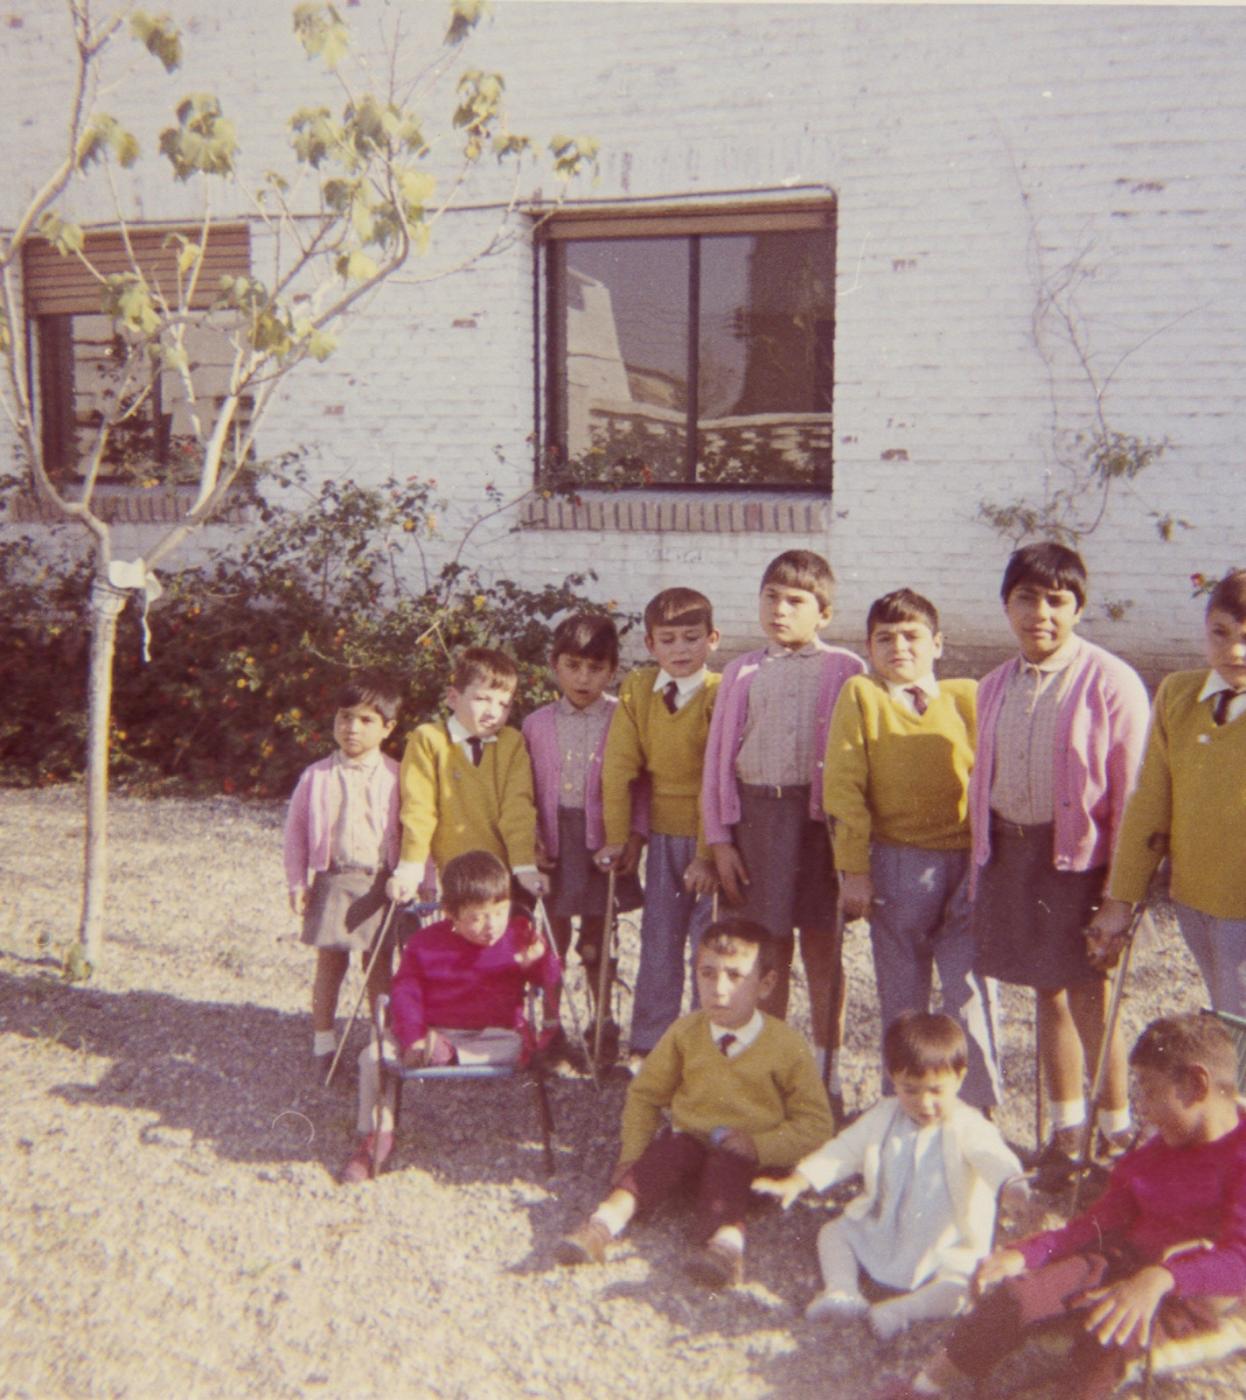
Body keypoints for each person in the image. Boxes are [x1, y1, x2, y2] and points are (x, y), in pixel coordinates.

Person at [875, 1012, 1246, 1400]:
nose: (1144, 1111)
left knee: (1105, 1336)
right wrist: (1025, 1254)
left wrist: (1161, 1278)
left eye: (1150, 1093)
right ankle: (924, 1387)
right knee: (1016, 1296)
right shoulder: (1155, 1153)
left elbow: (1239, 1259)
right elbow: (1095, 1224)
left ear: (1195, 1085)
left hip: (1188, 1296)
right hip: (1121, 1261)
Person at [968, 543, 1150, 1157]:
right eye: (1025, 598)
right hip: (1017, 856)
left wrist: (1118, 895)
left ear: (1077, 608)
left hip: (1083, 865)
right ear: (1006, 604)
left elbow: (1134, 796)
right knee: (1045, 989)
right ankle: (1068, 1128)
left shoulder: (1112, 682)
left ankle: (1117, 1127)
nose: (1039, 613)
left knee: (1090, 992)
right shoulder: (993, 686)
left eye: (1056, 600)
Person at [555, 918, 835, 1287]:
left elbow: (817, 1124)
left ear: (765, 984)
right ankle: (602, 1225)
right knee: (669, 1148)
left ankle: (725, 1248)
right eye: (707, 973)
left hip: (752, 1163)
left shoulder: (786, 1046)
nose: (718, 989)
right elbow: (646, 1094)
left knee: (729, 1165)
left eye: (735, 976)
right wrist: (632, 1154)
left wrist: (760, 1145)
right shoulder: (686, 1033)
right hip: (692, 1152)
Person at [824, 589, 1001, 1111]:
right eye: (885, 638)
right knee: (902, 990)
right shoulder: (862, 695)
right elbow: (844, 786)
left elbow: (992, 777)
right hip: (898, 862)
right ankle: (899, 1104)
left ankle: (975, 1105)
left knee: (969, 986)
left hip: (968, 862)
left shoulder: (968, 696)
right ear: (869, 646)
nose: (899, 647)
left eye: (912, 636)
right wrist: (853, 869)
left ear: (938, 643)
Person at [702, 549, 865, 1098]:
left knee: (824, 947)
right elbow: (718, 761)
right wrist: (720, 839)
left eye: (796, 601)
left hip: (820, 827)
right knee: (765, 951)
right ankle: (767, 1067)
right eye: (771, 596)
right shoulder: (742, 672)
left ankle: (826, 1069)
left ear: (823, 613)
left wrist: (853, 848)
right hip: (759, 822)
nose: (780, 610)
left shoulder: (846, 669)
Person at [340, 850, 561, 1183]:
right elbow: (406, 992)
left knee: (517, 1046)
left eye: (499, 912)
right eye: (477, 917)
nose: (491, 926)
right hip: (431, 1031)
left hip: (492, 1034)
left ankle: (446, 1053)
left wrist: (539, 962)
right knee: (372, 1057)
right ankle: (378, 1136)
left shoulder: (518, 934)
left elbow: (550, 981)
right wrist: (413, 1035)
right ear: (451, 916)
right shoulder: (427, 943)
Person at [1094, 569, 1246, 1016]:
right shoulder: (1179, 695)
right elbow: (1150, 805)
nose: (1234, 650)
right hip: (1194, 898)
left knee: (1238, 1026)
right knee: (1225, 1015)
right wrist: (1121, 899)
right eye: (1220, 633)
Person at [598, 587, 720, 1070]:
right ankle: (650, 1043)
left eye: (692, 638)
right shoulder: (638, 689)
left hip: (712, 835)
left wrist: (710, 851)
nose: (680, 650)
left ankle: (706, 1042)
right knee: (659, 937)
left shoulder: (720, 692)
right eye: (667, 640)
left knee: (707, 939)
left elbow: (719, 777)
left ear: (712, 639)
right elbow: (619, 766)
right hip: (663, 835)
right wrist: (620, 835)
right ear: (650, 645)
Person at [522, 613, 644, 1057]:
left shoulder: (623, 717)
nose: (583, 677)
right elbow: (523, 790)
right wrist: (531, 839)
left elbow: (639, 784)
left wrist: (634, 838)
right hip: (555, 845)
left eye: (595, 668)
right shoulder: (535, 724)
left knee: (598, 939)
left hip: (601, 845)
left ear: (612, 670)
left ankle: (602, 1022)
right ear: (555, 664)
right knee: (551, 938)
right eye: (573, 666)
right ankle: (553, 1023)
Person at [283, 673, 402, 1076]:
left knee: (379, 964)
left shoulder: (398, 776)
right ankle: (323, 1041)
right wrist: (298, 882)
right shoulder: (316, 776)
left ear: (388, 728)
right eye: (345, 717)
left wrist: (421, 880)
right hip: (333, 879)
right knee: (330, 963)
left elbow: (418, 829)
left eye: (367, 720)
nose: (352, 728)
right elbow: (296, 833)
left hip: (378, 883)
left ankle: (380, 1042)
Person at [387, 646, 547, 905]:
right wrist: (409, 868)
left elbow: (518, 807)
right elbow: (419, 809)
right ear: (453, 698)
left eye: (503, 704)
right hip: (448, 874)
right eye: (483, 699)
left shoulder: (512, 743)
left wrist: (524, 866)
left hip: (499, 874)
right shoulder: (429, 739)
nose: (493, 712)